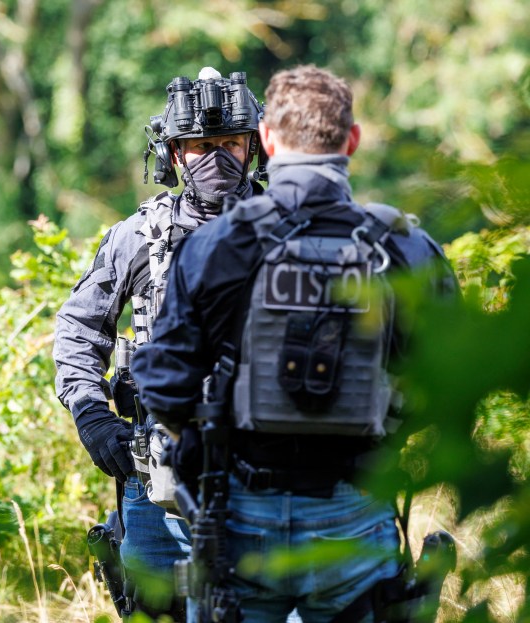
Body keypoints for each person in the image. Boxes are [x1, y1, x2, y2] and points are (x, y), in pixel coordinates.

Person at [131, 65, 458, 622]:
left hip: (239, 516)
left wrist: (208, 441)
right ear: (351, 141)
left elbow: (161, 383)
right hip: (356, 508)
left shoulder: (218, 244)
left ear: (265, 141)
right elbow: (452, 379)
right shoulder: (403, 247)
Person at [53, 67, 266, 620]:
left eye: (228, 144)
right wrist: (94, 419)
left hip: (270, 472)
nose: (215, 158)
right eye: (198, 146)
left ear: (254, 147)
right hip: (158, 478)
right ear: (172, 154)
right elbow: (79, 328)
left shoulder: (286, 228)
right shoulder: (141, 236)